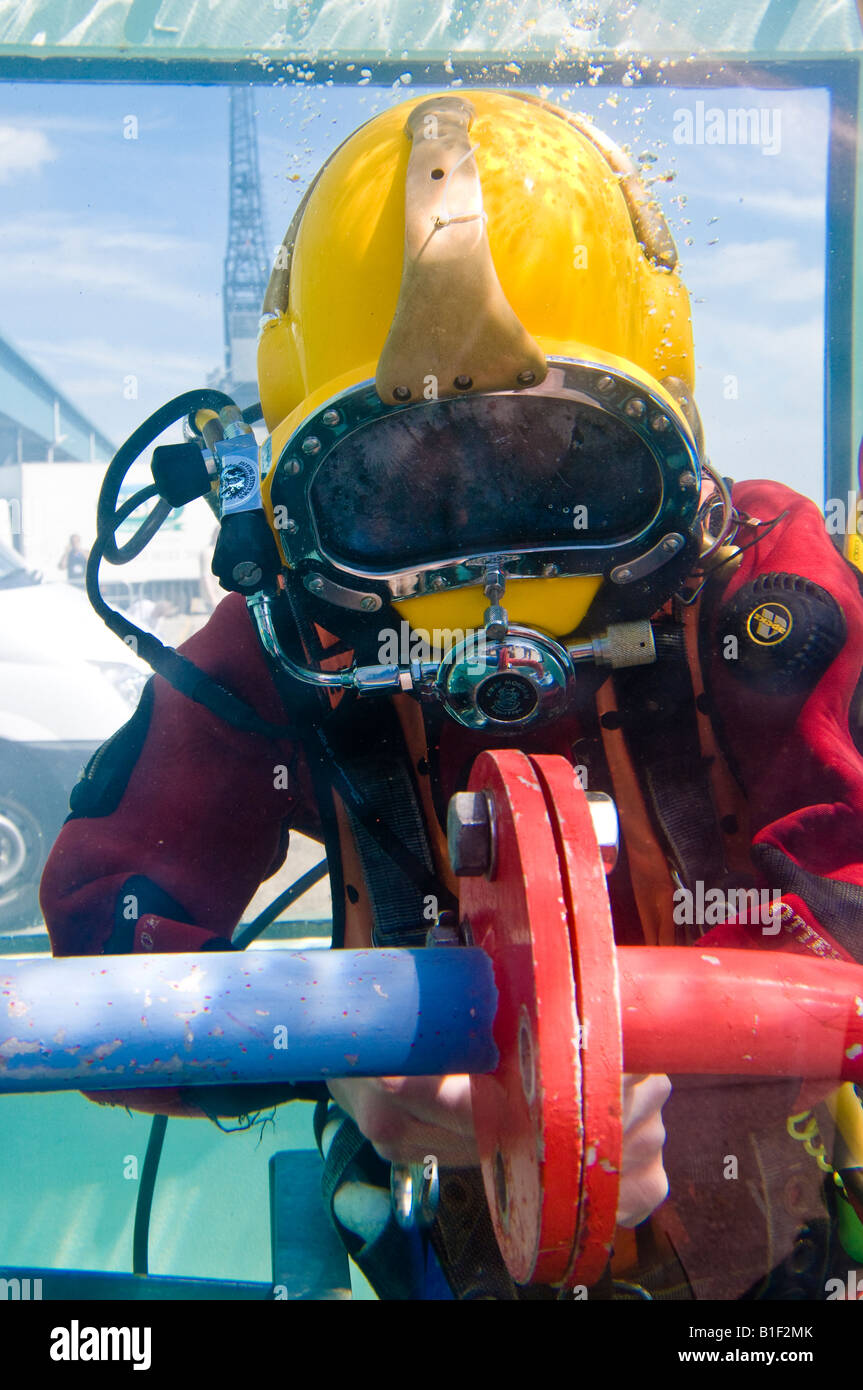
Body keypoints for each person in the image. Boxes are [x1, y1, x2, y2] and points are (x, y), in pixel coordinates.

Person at [40, 89, 863, 1300]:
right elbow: (103, 946)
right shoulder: (287, 633)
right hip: (443, 1235)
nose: (479, 551)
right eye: (406, 482)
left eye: (548, 463)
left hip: (772, 1244)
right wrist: (340, 1048)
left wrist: (666, 1052)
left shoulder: (760, 590)